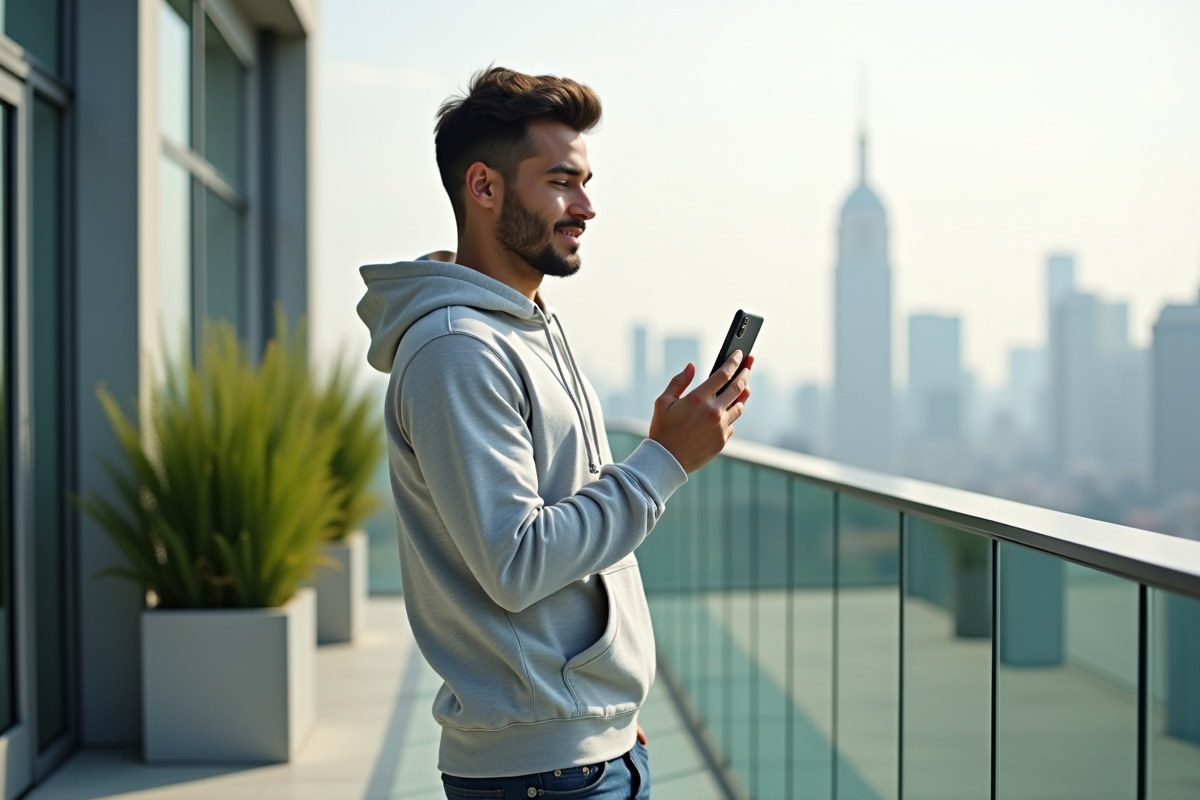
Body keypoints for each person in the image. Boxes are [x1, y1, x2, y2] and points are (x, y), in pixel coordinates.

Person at [357, 66, 753, 800]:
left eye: (587, 181)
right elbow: (517, 561)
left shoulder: (525, 326)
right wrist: (663, 461)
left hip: (583, 750)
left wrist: (601, 715)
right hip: (546, 774)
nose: (587, 207)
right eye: (563, 182)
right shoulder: (458, 350)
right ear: (485, 188)